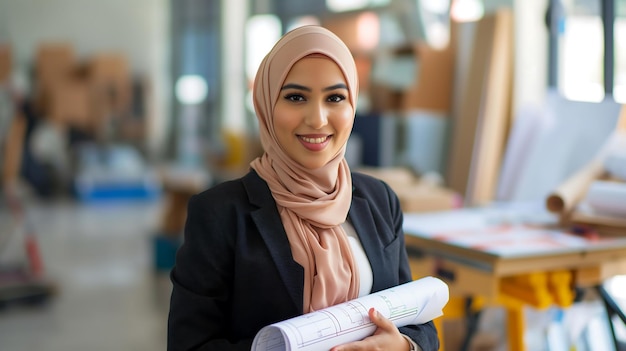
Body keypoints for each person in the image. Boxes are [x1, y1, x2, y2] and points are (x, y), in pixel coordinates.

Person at [167, 25, 439, 351]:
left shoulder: (379, 201)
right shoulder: (220, 214)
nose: (317, 119)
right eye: (296, 97)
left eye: (335, 98)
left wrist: (403, 346)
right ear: (266, 104)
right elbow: (190, 344)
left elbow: (416, 318)